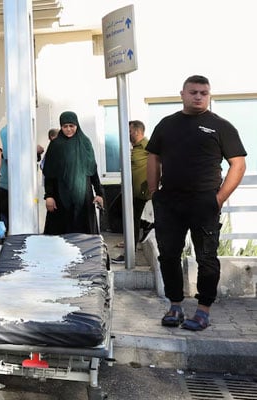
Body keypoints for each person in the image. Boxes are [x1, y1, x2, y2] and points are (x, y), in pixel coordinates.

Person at [147, 75, 246, 331]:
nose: (199, 96)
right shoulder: (167, 125)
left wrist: (219, 198)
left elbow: (238, 164)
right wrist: (153, 191)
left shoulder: (221, 126)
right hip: (169, 202)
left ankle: (203, 311)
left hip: (204, 203)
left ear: (209, 95)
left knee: (206, 258)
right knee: (168, 256)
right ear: (182, 94)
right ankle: (175, 305)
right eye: (194, 92)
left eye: (204, 92)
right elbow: (154, 157)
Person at [42, 112, 104, 234]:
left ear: (77, 125)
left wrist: (99, 193)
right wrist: (49, 196)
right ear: (61, 127)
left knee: (84, 236)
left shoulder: (85, 143)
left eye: (72, 125)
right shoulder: (55, 145)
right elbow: (49, 173)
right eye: (65, 126)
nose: (69, 129)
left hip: (83, 197)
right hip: (60, 197)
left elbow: (92, 169)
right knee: (61, 236)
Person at [111, 120, 154, 264]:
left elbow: (160, 162)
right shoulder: (133, 148)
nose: (127, 134)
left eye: (128, 131)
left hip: (140, 192)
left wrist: (153, 184)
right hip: (129, 190)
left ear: (136, 131)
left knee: (132, 222)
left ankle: (130, 254)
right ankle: (147, 225)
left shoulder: (148, 146)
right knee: (114, 211)